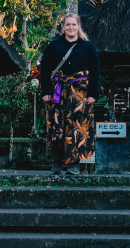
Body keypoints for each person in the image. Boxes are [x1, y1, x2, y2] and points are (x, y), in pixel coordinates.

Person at [39, 13, 100, 176]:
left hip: (80, 93)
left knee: (77, 128)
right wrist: (45, 91)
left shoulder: (87, 47)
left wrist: (93, 94)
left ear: (78, 26)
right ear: (63, 27)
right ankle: (57, 162)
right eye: (68, 25)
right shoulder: (53, 45)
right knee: (56, 126)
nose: (71, 27)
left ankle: (74, 164)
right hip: (58, 92)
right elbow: (44, 69)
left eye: (74, 24)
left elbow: (95, 71)